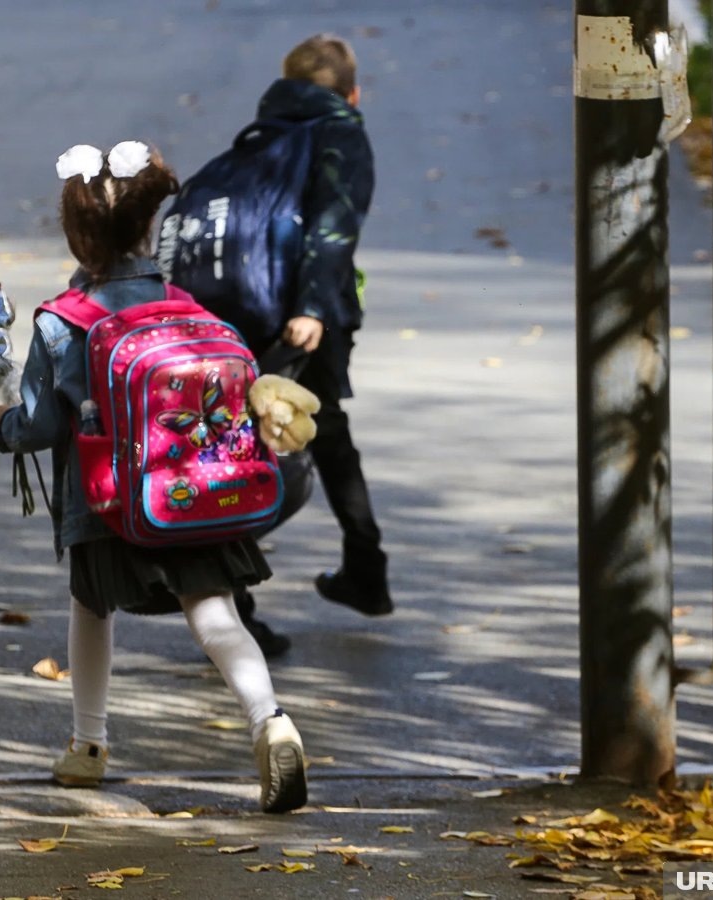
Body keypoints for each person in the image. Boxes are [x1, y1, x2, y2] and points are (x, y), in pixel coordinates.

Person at [0, 140, 307, 814]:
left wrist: (5, 423)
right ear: (147, 227)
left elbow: (38, 427)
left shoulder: (62, 323)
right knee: (215, 614)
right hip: (198, 492)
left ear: (78, 237)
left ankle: (88, 747)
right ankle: (271, 721)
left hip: (106, 503)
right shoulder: (189, 309)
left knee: (90, 610)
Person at [239, 33, 393, 632]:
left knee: (273, 431)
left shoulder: (263, 130)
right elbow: (334, 226)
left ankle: (363, 571)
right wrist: (311, 306)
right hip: (312, 314)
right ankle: (233, 599)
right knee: (289, 436)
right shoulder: (341, 131)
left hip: (251, 304)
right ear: (353, 93)